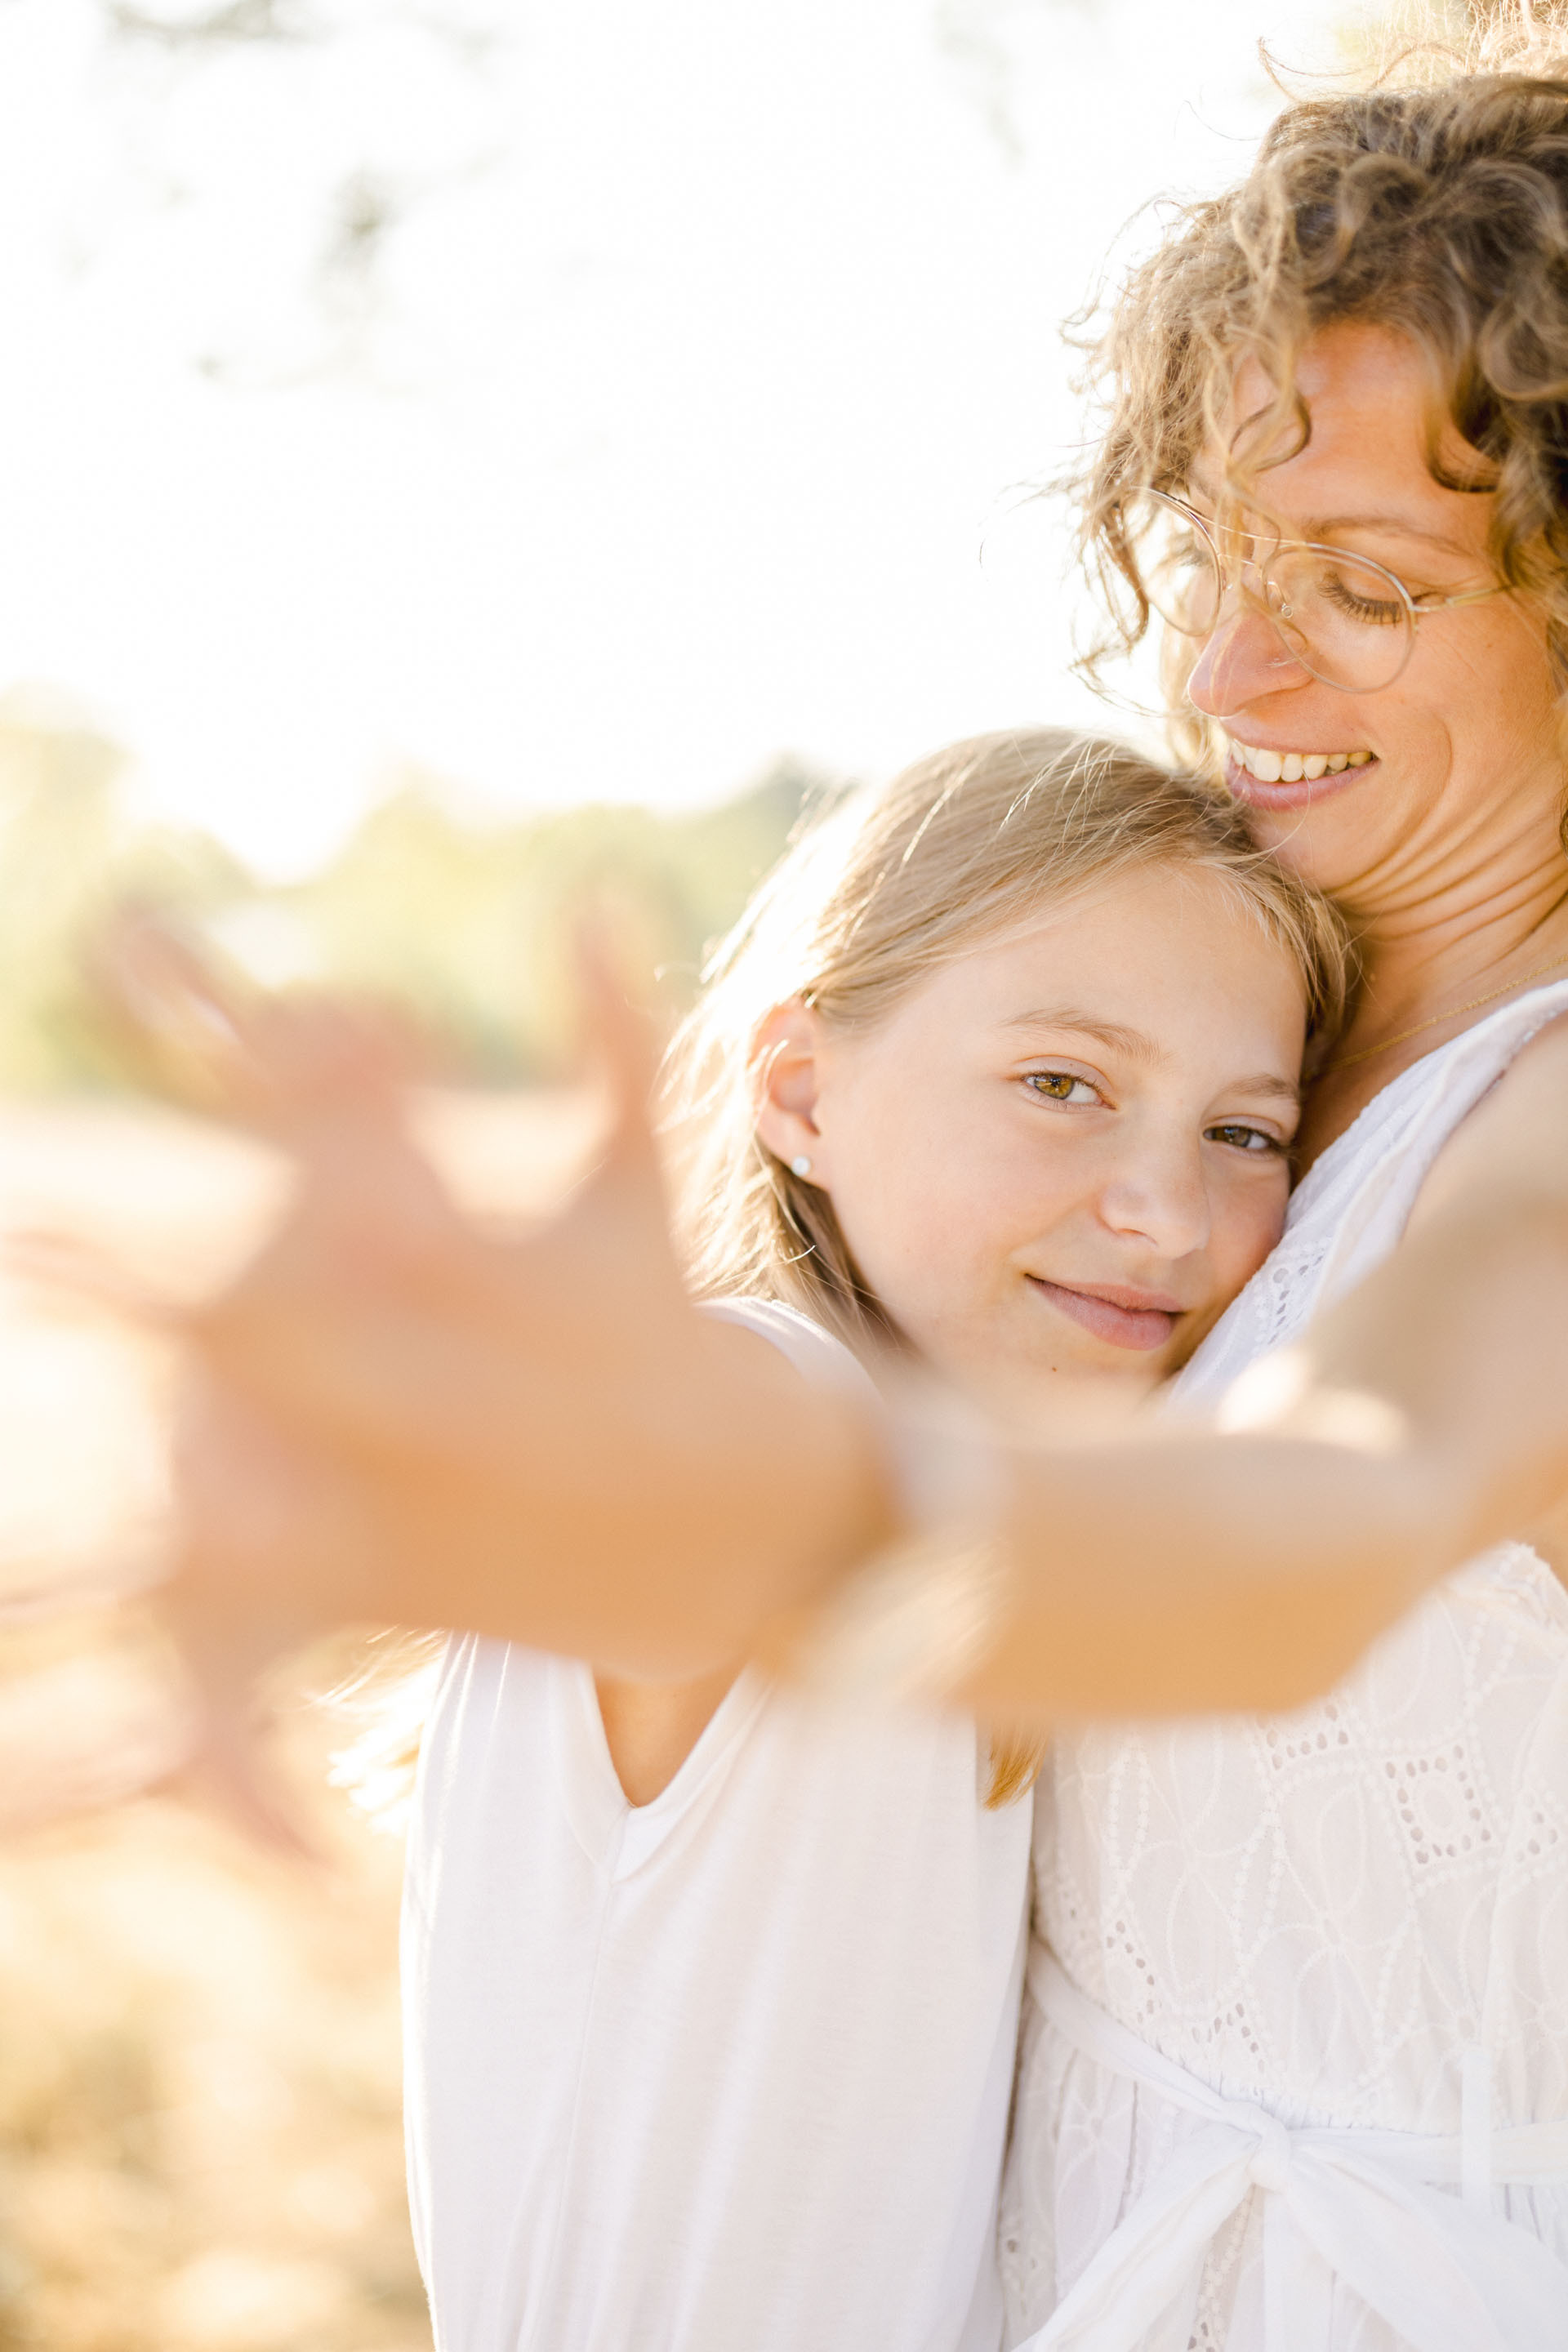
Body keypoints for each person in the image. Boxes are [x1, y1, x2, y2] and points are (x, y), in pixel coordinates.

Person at [144, 16, 1568, 2349]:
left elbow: (1323, 1524)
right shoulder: (1266, 1073)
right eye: (1217, 556)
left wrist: (795, 1508)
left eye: (1368, 585)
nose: (1225, 662)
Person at [397, 725, 1348, 2352]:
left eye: (1244, 1133)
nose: (1167, 1212)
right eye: (1064, 1084)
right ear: (802, 1094)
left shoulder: (1008, 1554)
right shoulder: (780, 1401)